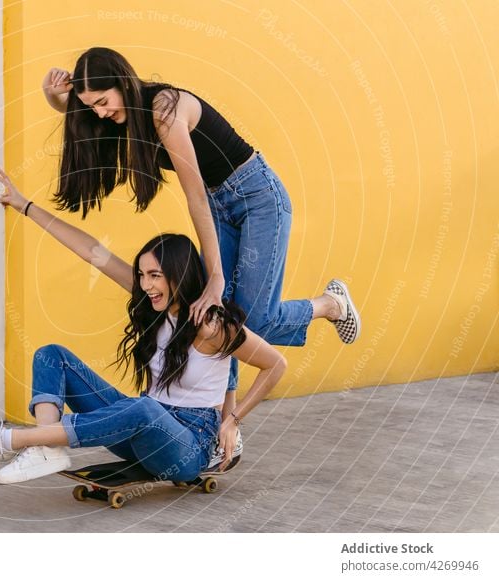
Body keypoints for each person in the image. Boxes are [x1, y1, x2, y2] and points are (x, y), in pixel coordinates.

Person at [41, 47, 361, 413]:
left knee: (253, 321)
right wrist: (50, 91)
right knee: (217, 319)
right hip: (219, 205)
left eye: (102, 101)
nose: (100, 112)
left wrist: (215, 279)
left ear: (122, 83)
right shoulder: (123, 115)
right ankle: (224, 418)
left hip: (257, 198)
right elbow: (77, 115)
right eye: (92, 105)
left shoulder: (164, 110)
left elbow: (194, 199)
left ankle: (330, 305)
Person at [0, 169, 287, 485]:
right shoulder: (151, 304)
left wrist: (232, 419)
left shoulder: (211, 324)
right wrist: (25, 206)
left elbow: (275, 364)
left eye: (155, 275)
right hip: (142, 430)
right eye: (141, 274)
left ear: (179, 276)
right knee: (52, 356)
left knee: (144, 407)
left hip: (188, 447)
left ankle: (7, 440)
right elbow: (91, 250)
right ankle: (46, 447)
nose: (146, 284)